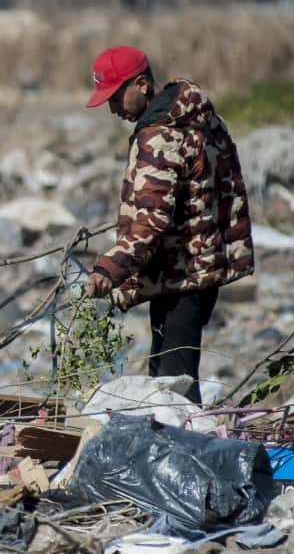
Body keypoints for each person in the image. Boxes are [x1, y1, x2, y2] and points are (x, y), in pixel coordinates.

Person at [81, 46, 254, 403]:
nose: (113, 109)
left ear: (141, 84)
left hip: (183, 275)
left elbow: (150, 221)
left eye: (115, 98)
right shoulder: (198, 116)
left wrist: (108, 269)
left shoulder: (160, 135)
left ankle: (184, 451)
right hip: (194, 269)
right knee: (167, 377)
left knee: (173, 387)